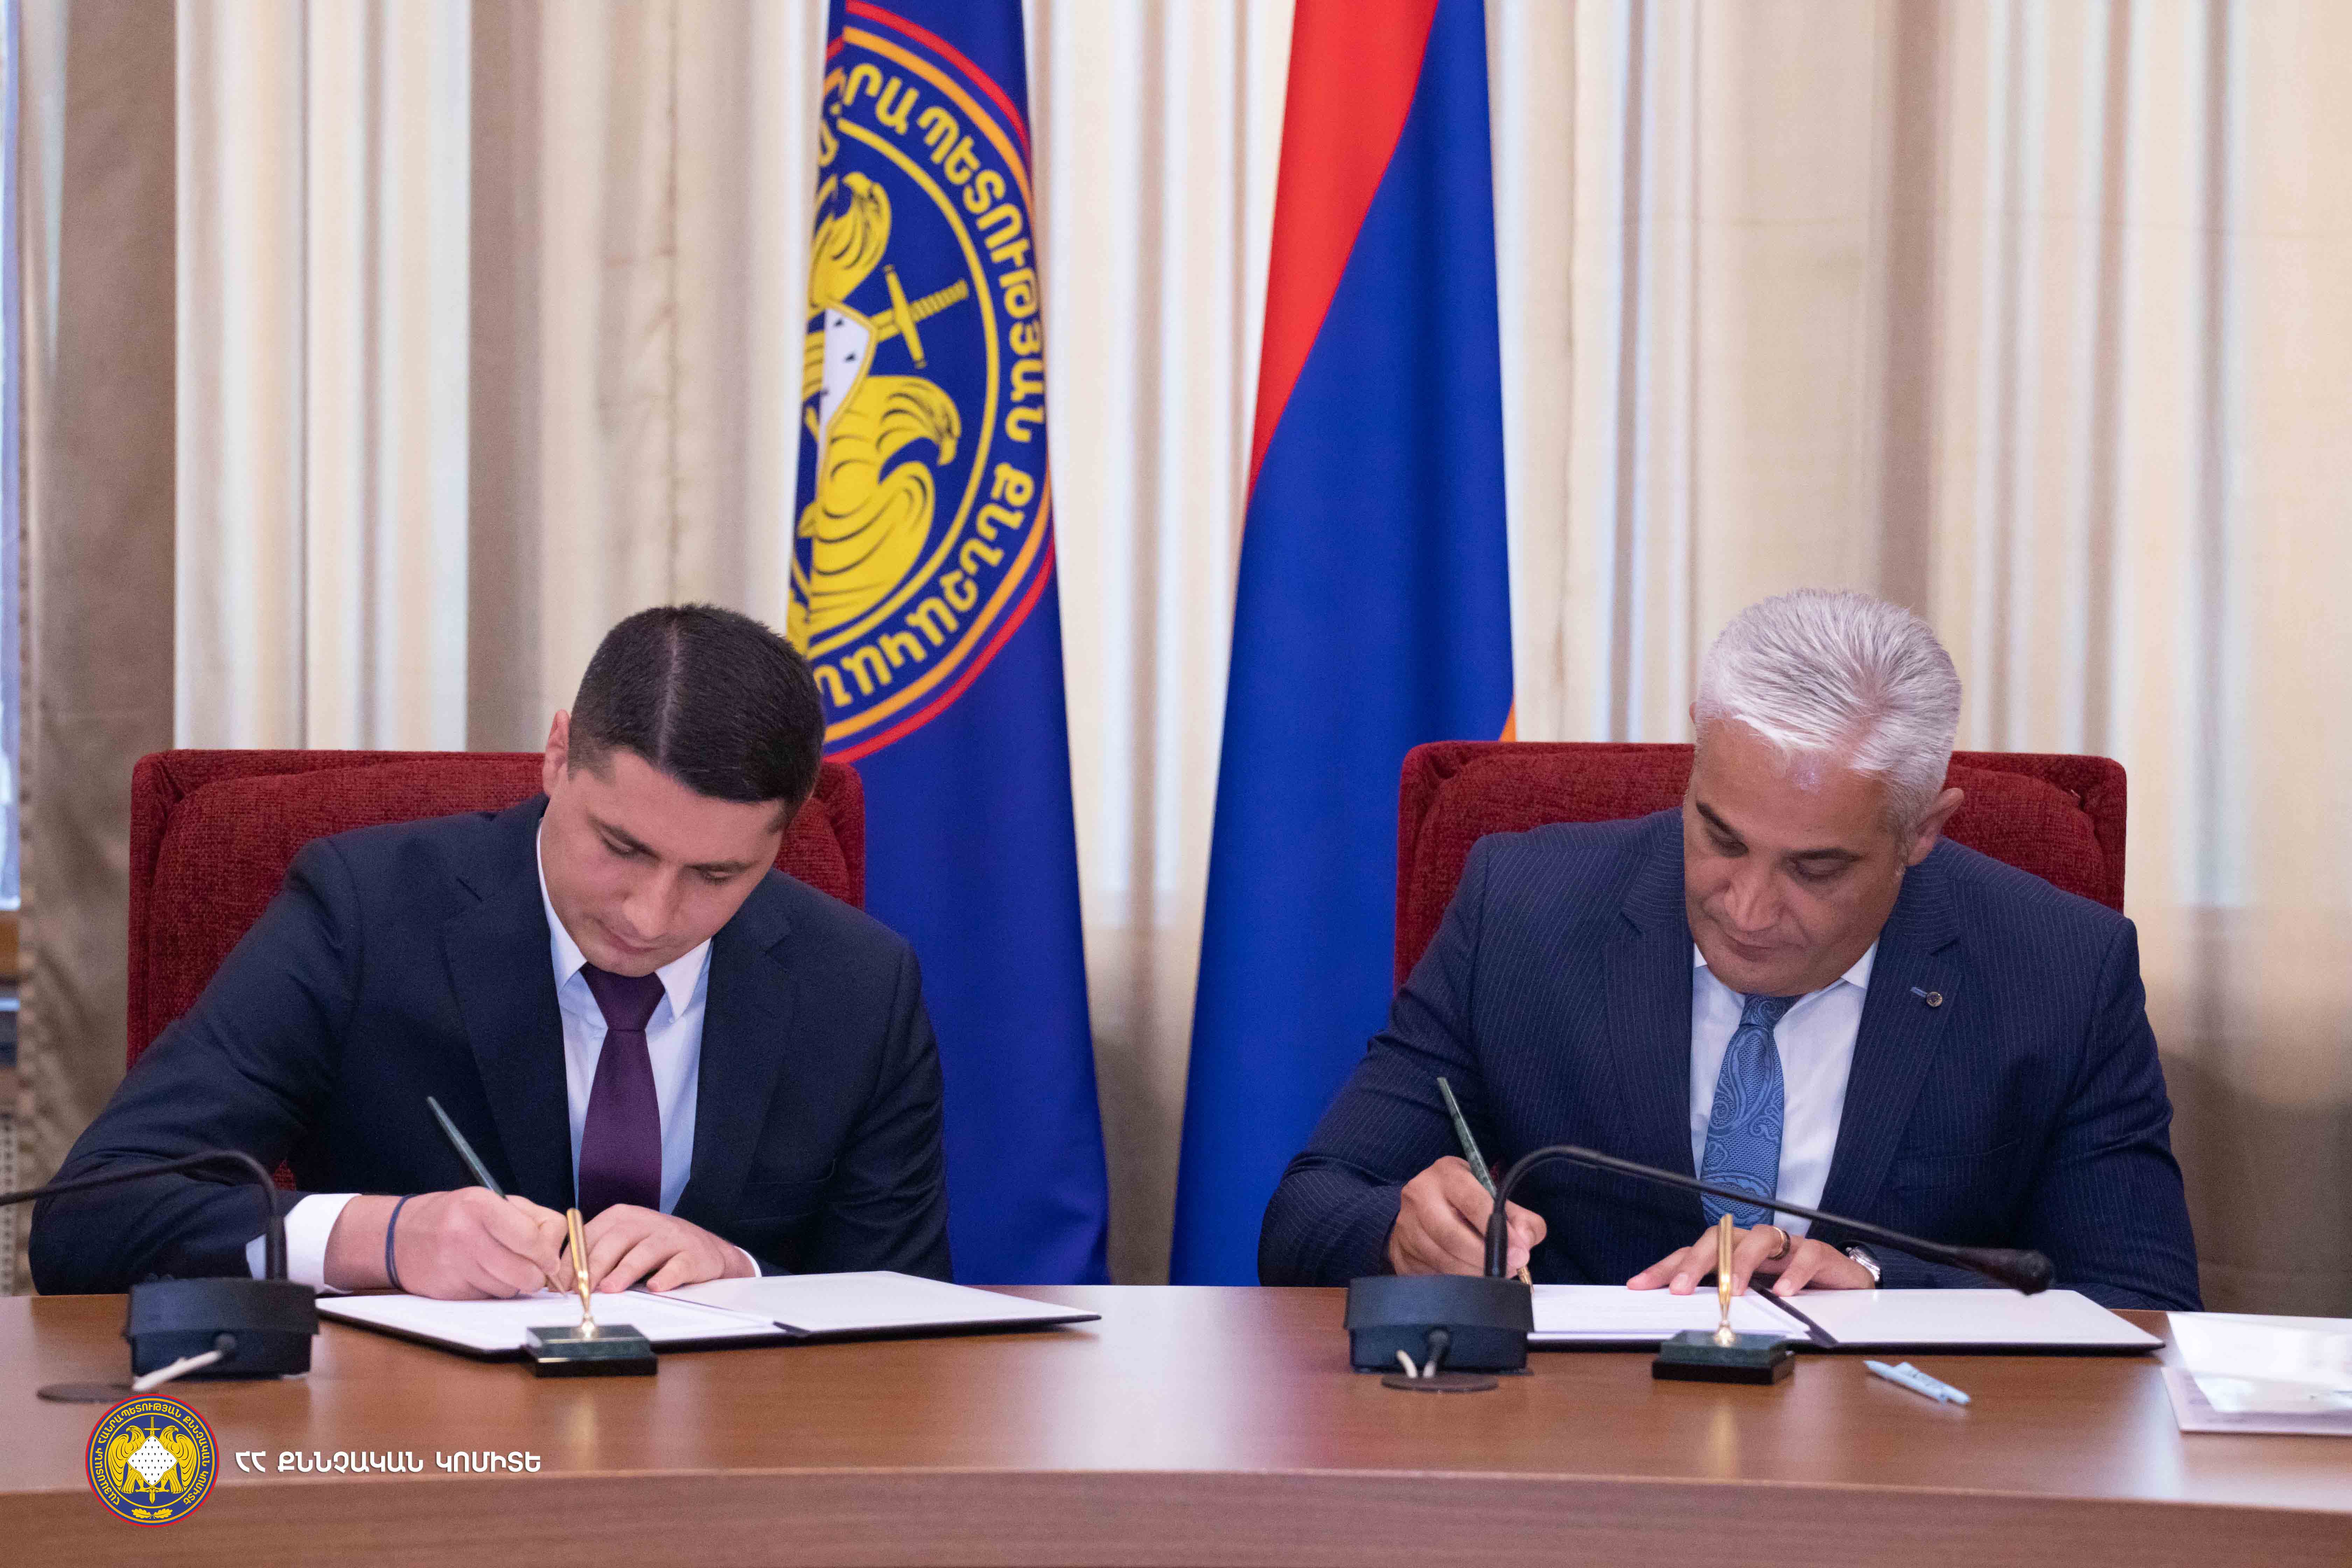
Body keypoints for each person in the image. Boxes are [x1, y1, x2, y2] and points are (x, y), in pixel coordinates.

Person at [1260, 589, 2199, 1310]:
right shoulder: (1523, 911)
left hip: (1896, 1459)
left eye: (1816, 869)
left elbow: (2144, 1305)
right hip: (1575, 1450)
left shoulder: (2063, 970)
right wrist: (1403, 1234)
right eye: (1720, 837)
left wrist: (1882, 1285)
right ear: (1695, 764)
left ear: (1922, 832)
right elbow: (1304, 1214)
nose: (1748, 908)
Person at [34, 605, 951, 1297]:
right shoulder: (365, 914)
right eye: (623, 848)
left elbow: (908, 1315)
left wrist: (744, 1274)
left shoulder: (861, 986)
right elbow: (91, 1219)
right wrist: (381, 1240)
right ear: (557, 755)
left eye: (716, 875)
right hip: (410, 1451)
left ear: (781, 840)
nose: (651, 915)